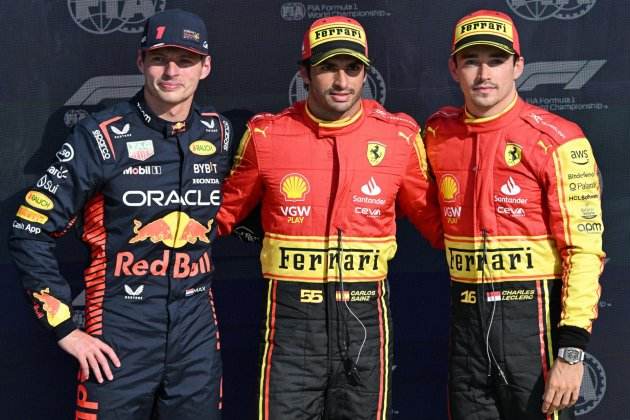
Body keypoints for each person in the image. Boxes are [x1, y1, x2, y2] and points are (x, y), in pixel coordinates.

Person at [9, 9, 234, 419]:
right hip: (118, 336)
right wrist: (64, 329)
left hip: (196, 337)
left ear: (205, 67)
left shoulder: (219, 133)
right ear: (140, 62)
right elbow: (29, 230)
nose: (171, 72)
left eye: (184, 60)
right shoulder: (100, 136)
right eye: (159, 58)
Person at [215, 15, 442, 420]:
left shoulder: (399, 136)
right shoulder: (266, 135)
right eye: (328, 68)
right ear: (304, 73)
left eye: (353, 69)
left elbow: (440, 224)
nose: (342, 82)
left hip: (365, 327)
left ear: (366, 73)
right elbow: (220, 216)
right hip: (289, 326)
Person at [424, 9, 605, 419]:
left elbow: (585, 251)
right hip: (466, 326)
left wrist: (572, 351)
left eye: (497, 60)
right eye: (471, 61)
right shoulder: (436, 134)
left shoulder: (560, 140)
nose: (484, 73)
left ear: (518, 66)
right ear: (454, 68)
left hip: (534, 329)